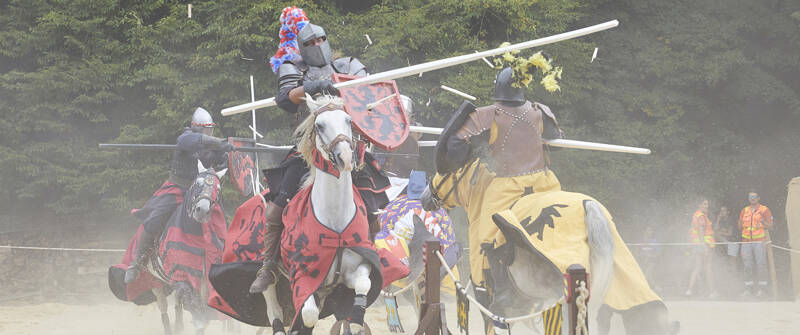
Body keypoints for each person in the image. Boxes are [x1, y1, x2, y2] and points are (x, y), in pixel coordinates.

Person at [249, 8, 389, 293]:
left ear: (327, 40)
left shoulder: (348, 66)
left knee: (373, 205)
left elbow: (369, 96)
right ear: (301, 47)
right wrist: (313, 86)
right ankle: (269, 266)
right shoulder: (294, 68)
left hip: (348, 146)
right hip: (309, 152)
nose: (316, 45)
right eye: (309, 43)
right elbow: (286, 98)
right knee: (277, 209)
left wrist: (355, 87)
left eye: (320, 39)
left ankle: (374, 258)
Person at [435, 65, 564, 307]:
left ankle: (499, 289)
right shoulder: (539, 111)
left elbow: (454, 148)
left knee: (487, 235)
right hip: (545, 182)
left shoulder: (489, 115)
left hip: (507, 185)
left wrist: (476, 145)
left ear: (498, 87)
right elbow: (557, 141)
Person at [124, 107, 233, 284]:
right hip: (177, 188)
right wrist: (219, 142)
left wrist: (226, 152)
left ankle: (226, 259)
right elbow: (194, 140)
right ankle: (138, 261)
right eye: (206, 130)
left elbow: (219, 164)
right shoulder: (186, 138)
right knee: (154, 219)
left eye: (210, 130)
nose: (209, 133)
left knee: (220, 218)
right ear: (197, 128)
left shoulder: (210, 148)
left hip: (199, 190)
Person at [738, 191, 773, 298]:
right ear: (748, 198)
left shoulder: (764, 210)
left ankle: (763, 289)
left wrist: (763, 222)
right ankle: (749, 289)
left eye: (754, 196)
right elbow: (739, 226)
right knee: (747, 265)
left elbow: (771, 226)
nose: (752, 198)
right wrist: (741, 224)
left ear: (758, 198)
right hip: (746, 242)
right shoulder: (745, 210)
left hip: (759, 241)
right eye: (750, 196)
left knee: (761, 264)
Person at [685, 199, 716, 298]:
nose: (707, 206)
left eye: (707, 204)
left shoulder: (696, 215)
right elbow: (701, 231)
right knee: (708, 267)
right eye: (704, 204)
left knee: (697, 267)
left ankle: (689, 291)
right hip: (704, 244)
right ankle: (712, 292)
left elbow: (692, 230)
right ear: (699, 205)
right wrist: (704, 246)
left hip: (697, 244)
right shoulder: (701, 216)